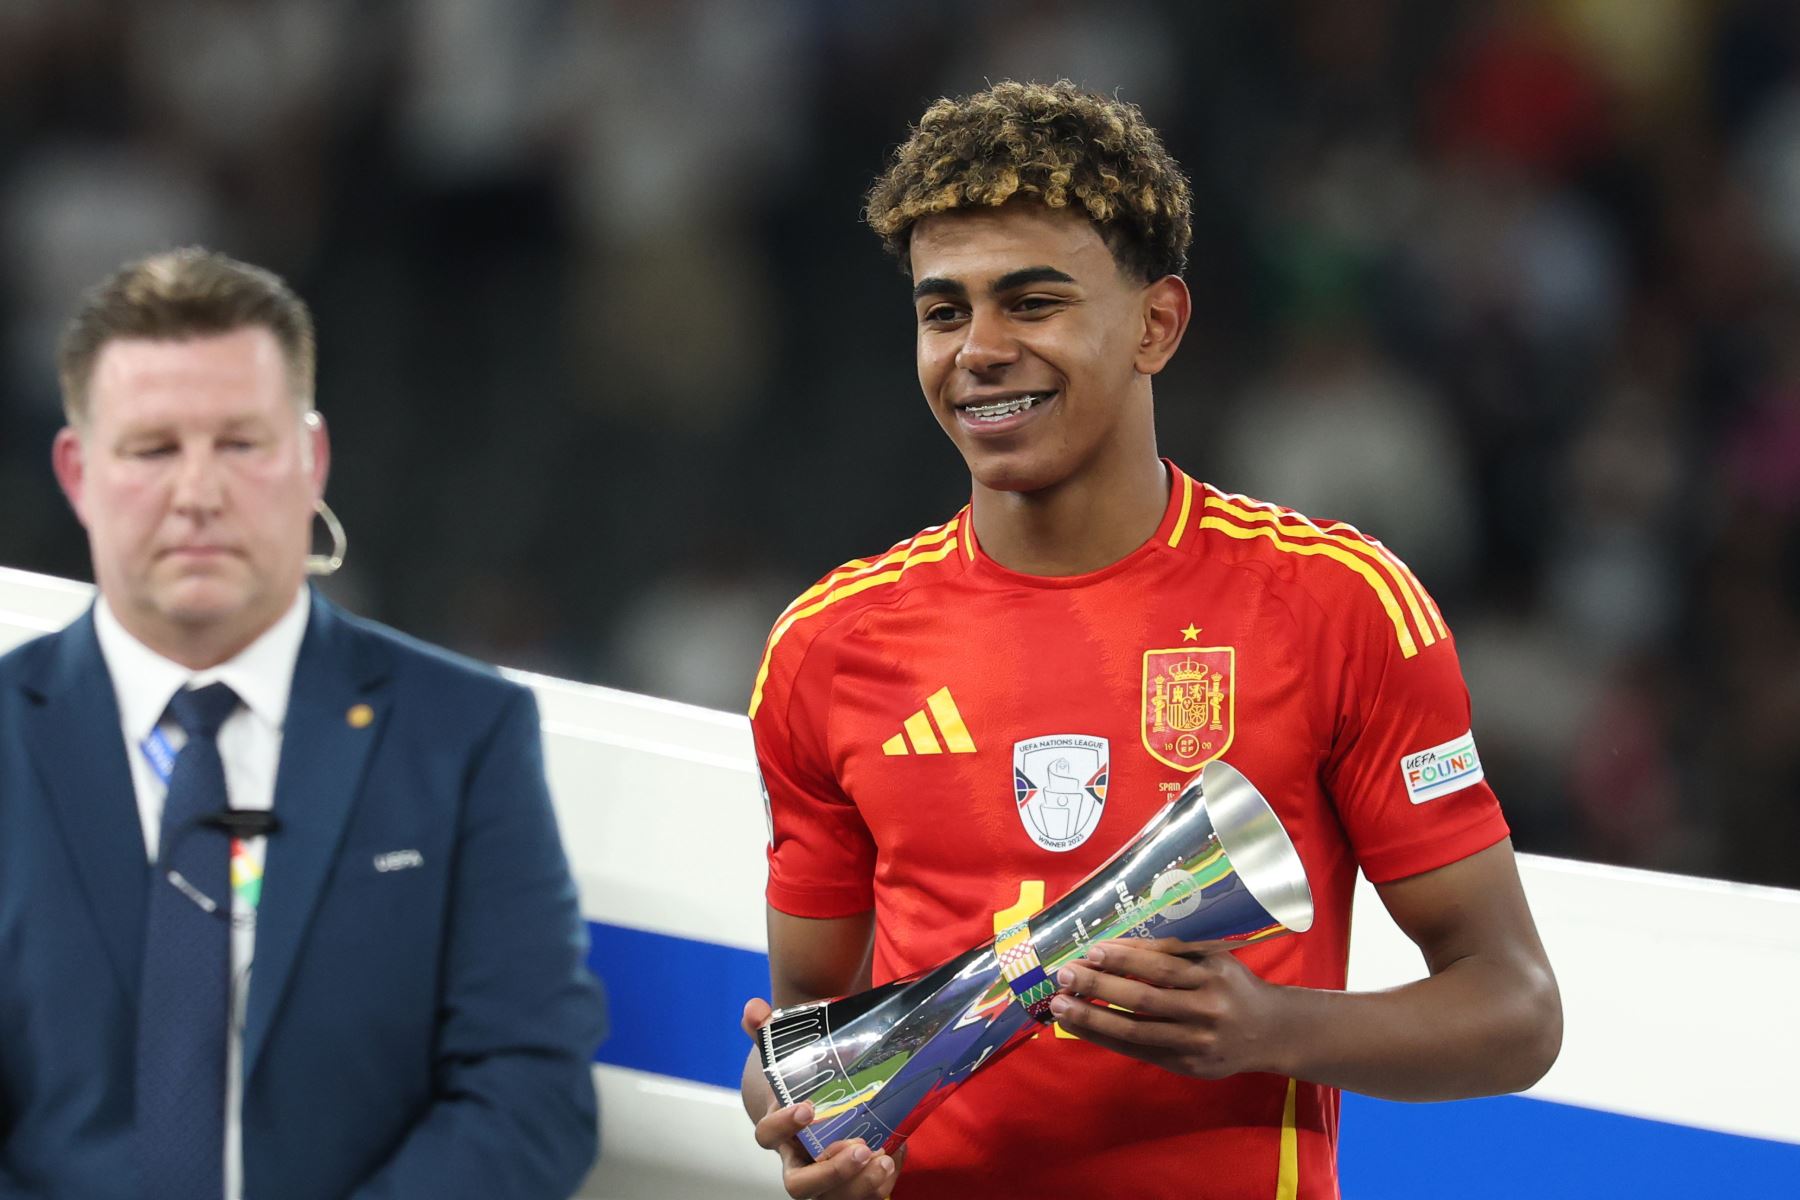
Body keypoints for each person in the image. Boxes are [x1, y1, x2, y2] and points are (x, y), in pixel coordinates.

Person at [739, 81, 1561, 1200]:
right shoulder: (828, 646)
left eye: (1032, 302)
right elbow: (810, 1033)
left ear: (1156, 324)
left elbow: (1515, 1010)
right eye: (944, 311)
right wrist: (799, 1122)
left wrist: (1273, 1027)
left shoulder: (1336, 604)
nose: (979, 349)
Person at [0, 248, 606, 1199]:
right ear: (77, 472)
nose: (198, 493)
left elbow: (528, 1093)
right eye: (153, 448)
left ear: (311, 458)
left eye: (241, 443)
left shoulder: (464, 734)